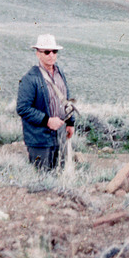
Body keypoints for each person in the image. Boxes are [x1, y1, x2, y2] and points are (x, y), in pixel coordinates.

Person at [16, 34, 75, 170]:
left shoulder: (59, 72)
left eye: (54, 51)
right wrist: (47, 120)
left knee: (59, 173)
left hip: (59, 135)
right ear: (38, 54)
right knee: (42, 180)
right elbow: (22, 108)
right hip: (39, 140)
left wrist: (70, 122)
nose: (51, 55)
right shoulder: (30, 78)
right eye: (47, 52)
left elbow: (66, 98)